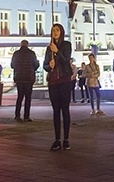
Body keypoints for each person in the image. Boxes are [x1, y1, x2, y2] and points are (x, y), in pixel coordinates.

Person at [43, 23, 73, 151]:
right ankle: (57, 139)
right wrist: (49, 66)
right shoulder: (49, 48)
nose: (55, 32)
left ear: (61, 32)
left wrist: (58, 52)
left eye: (57, 30)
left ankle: (66, 139)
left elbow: (66, 60)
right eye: (53, 30)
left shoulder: (66, 45)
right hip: (53, 82)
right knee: (56, 111)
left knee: (65, 109)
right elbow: (45, 66)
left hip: (65, 81)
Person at [11, 39, 39, 122]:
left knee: (19, 97)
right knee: (28, 98)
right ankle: (26, 116)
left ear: (21, 45)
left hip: (19, 78)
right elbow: (36, 65)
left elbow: (12, 65)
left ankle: (17, 115)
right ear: (27, 45)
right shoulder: (31, 53)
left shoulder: (16, 54)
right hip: (29, 78)